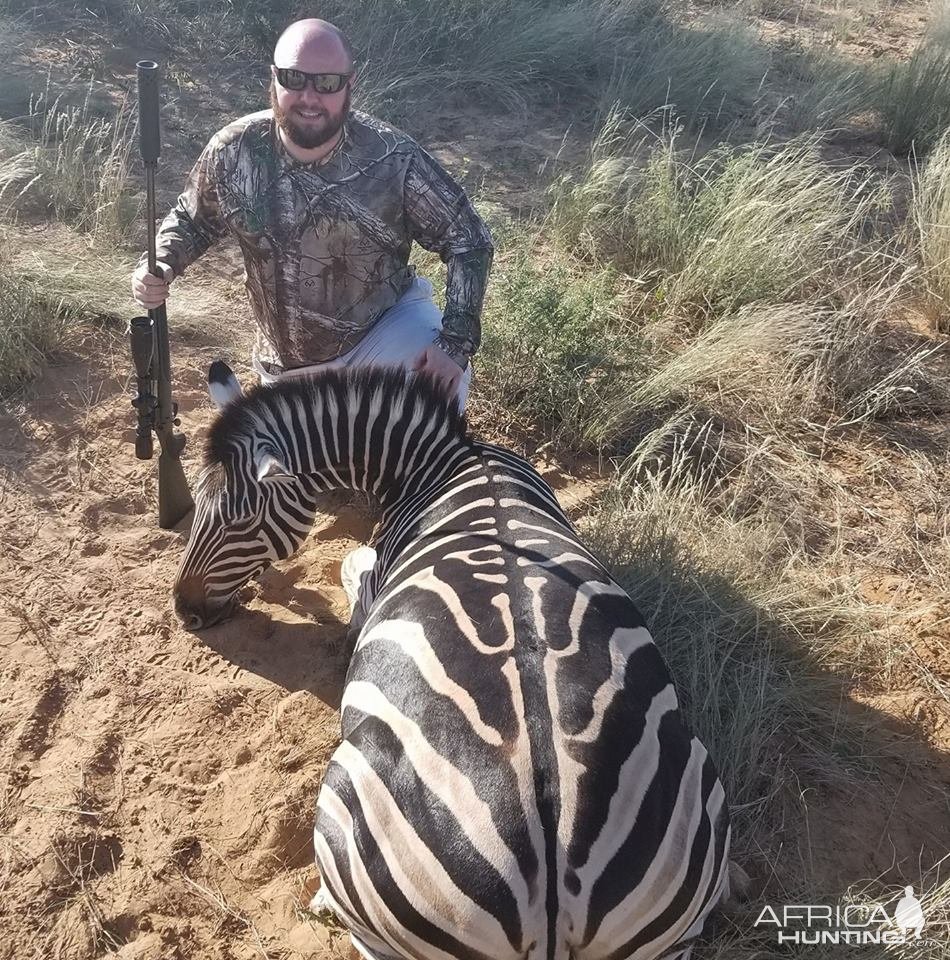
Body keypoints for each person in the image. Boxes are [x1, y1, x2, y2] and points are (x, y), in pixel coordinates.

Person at [131, 18, 493, 405]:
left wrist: (454, 345)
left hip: (385, 334)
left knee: (435, 399)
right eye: (293, 78)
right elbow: (192, 219)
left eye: (327, 83)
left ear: (349, 85)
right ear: (274, 79)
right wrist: (162, 263)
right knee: (289, 466)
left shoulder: (393, 158)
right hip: (288, 365)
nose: (309, 96)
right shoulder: (233, 151)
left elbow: (469, 239)